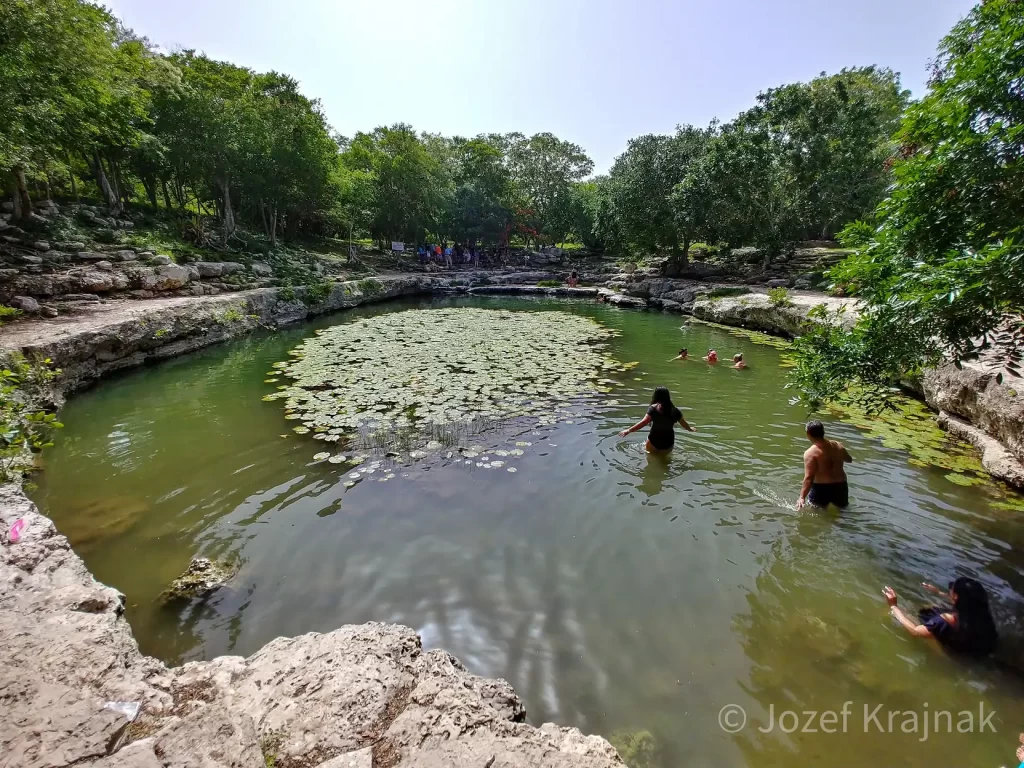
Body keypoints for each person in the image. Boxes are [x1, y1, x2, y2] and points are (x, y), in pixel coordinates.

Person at [882, 577, 998, 657]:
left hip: (948, 651)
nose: (950, 590)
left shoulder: (945, 621)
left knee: (901, 614)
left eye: (952, 590)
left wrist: (894, 606)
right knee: (933, 607)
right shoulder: (982, 614)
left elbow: (915, 631)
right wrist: (938, 593)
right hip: (971, 650)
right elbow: (960, 600)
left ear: (956, 597)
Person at [618, 386, 696, 453]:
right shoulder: (675, 411)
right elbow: (683, 423)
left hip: (653, 441)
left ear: (656, 396)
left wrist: (628, 431)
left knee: (649, 460)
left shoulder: (653, 409)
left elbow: (643, 422)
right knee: (666, 464)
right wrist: (690, 429)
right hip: (668, 443)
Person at [796, 420, 852, 510]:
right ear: (823, 431)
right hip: (841, 486)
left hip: (821, 489)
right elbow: (849, 460)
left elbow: (809, 477)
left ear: (808, 434)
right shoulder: (838, 445)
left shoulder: (810, 453)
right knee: (842, 512)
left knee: (817, 514)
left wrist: (802, 497)